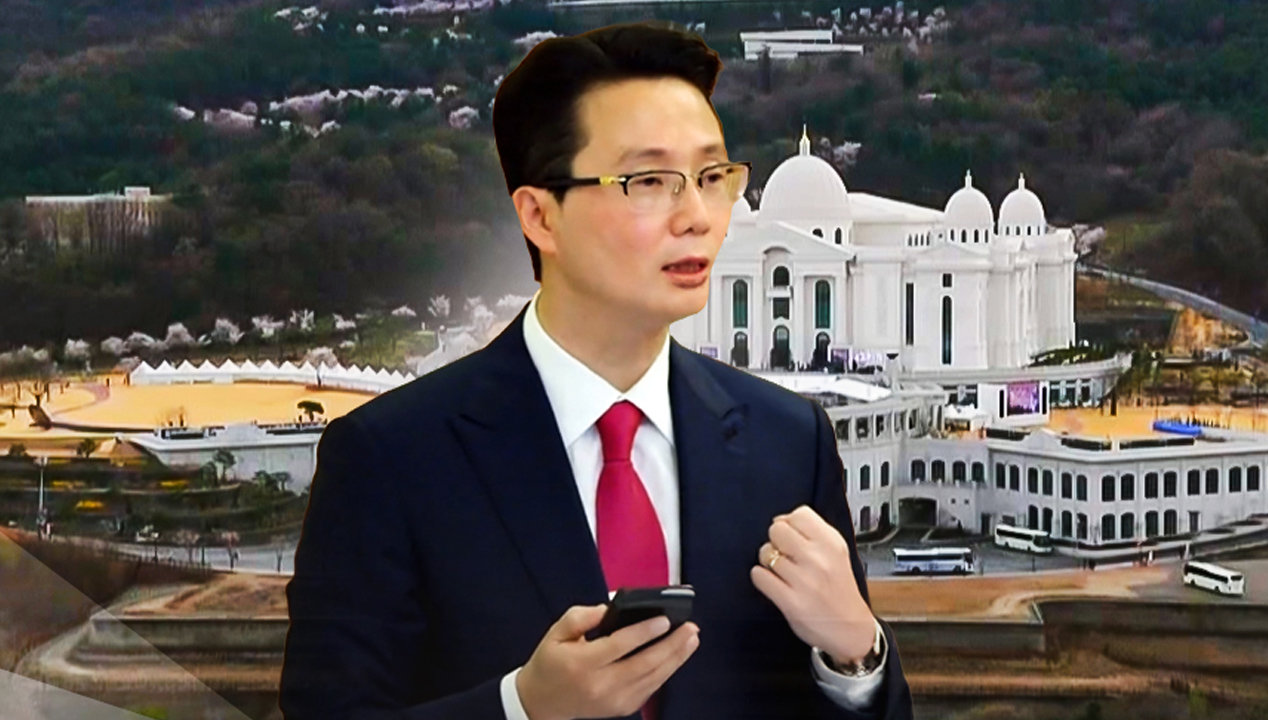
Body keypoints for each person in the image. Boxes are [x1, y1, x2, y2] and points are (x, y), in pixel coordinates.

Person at [280, 21, 912, 720]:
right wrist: (521, 708)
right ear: (540, 216)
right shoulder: (390, 459)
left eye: (711, 178)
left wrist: (856, 655)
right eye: (649, 182)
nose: (697, 217)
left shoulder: (788, 442)